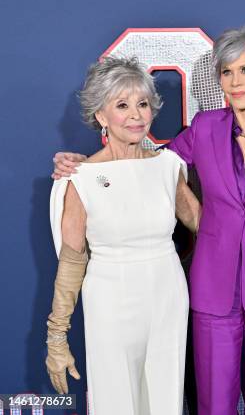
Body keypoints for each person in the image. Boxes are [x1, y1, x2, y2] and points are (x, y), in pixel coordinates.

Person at [53, 25, 245, 415]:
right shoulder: (204, 128)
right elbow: (148, 166)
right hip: (213, 291)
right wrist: (82, 163)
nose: (235, 82)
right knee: (213, 405)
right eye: (227, 72)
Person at [46, 57, 200, 414]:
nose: (136, 115)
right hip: (109, 300)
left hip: (168, 297)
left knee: (165, 398)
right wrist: (57, 336)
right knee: (115, 399)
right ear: (101, 116)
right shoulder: (79, 177)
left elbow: (205, 224)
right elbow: (72, 261)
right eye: (122, 105)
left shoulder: (168, 166)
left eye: (143, 104)